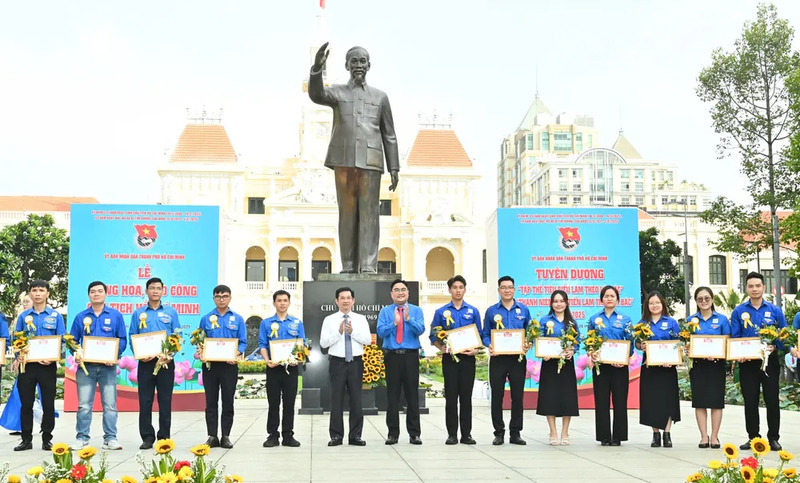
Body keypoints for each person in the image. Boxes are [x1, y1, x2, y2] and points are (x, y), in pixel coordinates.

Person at [308, 42, 400, 274]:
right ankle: (348, 266)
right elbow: (316, 95)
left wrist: (394, 167)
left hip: (371, 161)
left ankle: (368, 266)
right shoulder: (337, 92)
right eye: (354, 61)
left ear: (369, 65)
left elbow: (389, 134)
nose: (358, 65)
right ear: (347, 65)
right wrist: (317, 69)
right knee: (347, 214)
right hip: (344, 159)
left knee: (370, 215)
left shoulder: (380, 97)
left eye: (362, 61)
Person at [731, 272, 796, 451]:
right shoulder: (738, 311)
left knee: (772, 400)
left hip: (770, 362)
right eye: (751, 286)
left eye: (757, 286)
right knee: (750, 401)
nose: (754, 289)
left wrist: (777, 346)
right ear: (746, 288)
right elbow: (735, 337)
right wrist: (738, 353)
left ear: (763, 287)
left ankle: (773, 438)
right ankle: (753, 437)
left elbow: (783, 335)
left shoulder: (775, 310)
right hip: (748, 363)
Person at [69, 281, 127, 451]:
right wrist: (77, 353)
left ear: (105, 294)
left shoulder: (115, 316)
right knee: (84, 405)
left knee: (109, 405)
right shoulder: (80, 317)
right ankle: (82, 438)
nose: (96, 294)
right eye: (93, 291)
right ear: (89, 295)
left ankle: (110, 438)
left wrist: (114, 355)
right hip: (86, 368)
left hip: (108, 368)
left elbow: (122, 339)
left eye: (100, 291)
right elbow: (72, 341)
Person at [128, 277, 181, 450]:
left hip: (166, 363)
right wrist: (139, 355)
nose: (155, 291)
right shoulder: (138, 313)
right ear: (146, 291)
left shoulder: (171, 312)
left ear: (163, 291)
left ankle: (164, 437)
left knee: (165, 400)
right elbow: (133, 336)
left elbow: (177, 336)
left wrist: (169, 354)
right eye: (152, 288)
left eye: (158, 288)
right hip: (145, 364)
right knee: (145, 401)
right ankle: (147, 437)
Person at [13, 280, 65, 451]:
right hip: (27, 366)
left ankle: (47, 438)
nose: (37, 293)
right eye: (34, 290)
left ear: (47, 294)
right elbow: (16, 340)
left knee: (48, 403)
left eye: (41, 290)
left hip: (47, 366)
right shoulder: (23, 316)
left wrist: (54, 357)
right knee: (26, 404)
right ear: (30, 293)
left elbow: (62, 341)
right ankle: (26, 439)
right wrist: (18, 355)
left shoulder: (56, 316)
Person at [481, 275, 532, 446]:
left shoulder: (523, 310)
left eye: (510, 287)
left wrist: (528, 344)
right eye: (503, 287)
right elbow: (485, 334)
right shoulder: (491, 311)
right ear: (499, 290)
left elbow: (530, 332)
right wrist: (489, 345)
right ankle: (499, 432)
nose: (507, 290)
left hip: (517, 359)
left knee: (517, 396)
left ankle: (515, 433)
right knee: (497, 396)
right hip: (498, 359)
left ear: (514, 289)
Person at [429, 275, 480, 445]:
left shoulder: (473, 311)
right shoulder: (441, 312)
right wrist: (441, 348)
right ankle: (452, 434)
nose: (458, 290)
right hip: (450, 359)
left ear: (465, 289)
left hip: (468, 360)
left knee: (466, 398)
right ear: (449, 290)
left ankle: (466, 434)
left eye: (461, 287)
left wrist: (476, 349)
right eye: (455, 287)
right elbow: (433, 335)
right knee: (451, 398)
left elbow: (480, 335)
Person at [196, 285, 246, 449]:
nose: (221, 299)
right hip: (210, 366)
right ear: (214, 298)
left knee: (228, 401)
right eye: (218, 296)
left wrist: (236, 354)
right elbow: (200, 340)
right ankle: (212, 436)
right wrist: (201, 352)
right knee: (211, 401)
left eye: (224, 296)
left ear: (230, 298)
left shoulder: (237, 319)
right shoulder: (206, 319)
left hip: (229, 366)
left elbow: (243, 342)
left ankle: (226, 436)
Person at [320, 287, 371, 446]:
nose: (345, 301)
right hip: (337, 363)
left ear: (353, 301)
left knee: (356, 400)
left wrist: (352, 332)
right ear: (336, 301)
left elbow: (368, 340)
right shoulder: (329, 320)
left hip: (355, 362)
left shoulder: (361, 319)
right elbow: (323, 343)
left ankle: (355, 436)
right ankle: (336, 436)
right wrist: (339, 332)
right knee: (336, 400)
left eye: (348, 298)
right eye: (342, 298)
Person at [377, 279, 425, 445]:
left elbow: (421, 330)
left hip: (410, 356)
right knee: (392, 396)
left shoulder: (416, 310)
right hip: (392, 356)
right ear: (391, 294)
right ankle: (393, 433)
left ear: (408, 293)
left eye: (403, 289)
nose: (400, 292)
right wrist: (394, 323)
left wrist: (408, 319)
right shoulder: (385, 311)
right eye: (396, 290)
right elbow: (381, 332)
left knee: (412, 395)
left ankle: (414, 434)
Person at [587, 285, 633, 446]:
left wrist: (624, 358)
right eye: (606, 296)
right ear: (602, 299)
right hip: (601, 366)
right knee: (601, 401)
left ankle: (618, 436)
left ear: (617, 300)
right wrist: (592, 353)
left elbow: (630, 342)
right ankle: (604, 436)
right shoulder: (594, 319)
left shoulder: (625, 319)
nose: (609, 298)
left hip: (620, 366)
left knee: (620, 401)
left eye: (612, 296)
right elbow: (590, 342)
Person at [259, 290, 305, 448]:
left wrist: (297, 359)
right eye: (279, 300)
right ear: (274, 303)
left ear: (289, 303)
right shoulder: (266, 323)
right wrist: (267, 361)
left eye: (285, 300)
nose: (282, 303)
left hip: (291, 369)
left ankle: (288, 435)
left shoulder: (297, 323)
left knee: (289, 403)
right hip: (273, 368)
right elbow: (262, 345)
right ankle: (272, 435)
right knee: (273, 403)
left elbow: (301, 344)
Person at [688, 286, 730, 449]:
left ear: (712, 299)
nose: (704, 301)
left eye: (707, 298)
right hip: (698, 365)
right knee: (699, 401)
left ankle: (714, 436)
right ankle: (703, 436)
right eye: (700, 299)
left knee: (716, 402)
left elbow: (727, 341)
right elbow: (686, 341)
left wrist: (717, 352)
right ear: (696, 301)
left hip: (716, 365)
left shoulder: (722, 319)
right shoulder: (690, 320)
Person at [536, 290, 580, 446]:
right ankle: (553, 432)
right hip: (549, 364)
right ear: (551, 303)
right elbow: (539, 339)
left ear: (567, 303)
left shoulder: (572, 322)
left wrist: (572, 350)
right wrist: (543, 353)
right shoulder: (544, 320)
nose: (558, 304)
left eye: (561, 301)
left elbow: (577, 342)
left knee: (568, 398)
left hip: (566, 363)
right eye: (555, 301)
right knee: (550, 397)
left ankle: (565, 432)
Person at [637, 291, 681, 448]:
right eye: (651, 303)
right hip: (649, 369)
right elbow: (636, 343)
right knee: (651, 401)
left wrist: (673, 360)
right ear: (647, 306)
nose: (654, 305)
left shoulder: (671, 322)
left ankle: (667, 434)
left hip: (667, 368)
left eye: (657, 302)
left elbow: (678, 343)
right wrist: (641, 346)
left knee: (667, 400)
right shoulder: (642, 324)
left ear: (662, 304)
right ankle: (655, 434)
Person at [1, 294, 32, 435]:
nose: (24, 304)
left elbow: (4, 340)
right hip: (23, 363)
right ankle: (19, 425)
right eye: (23, 302)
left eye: (27, 301)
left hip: (41, 364)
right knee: (20, 395)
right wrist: (17, 358)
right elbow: (15, 343)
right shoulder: (21, 319)